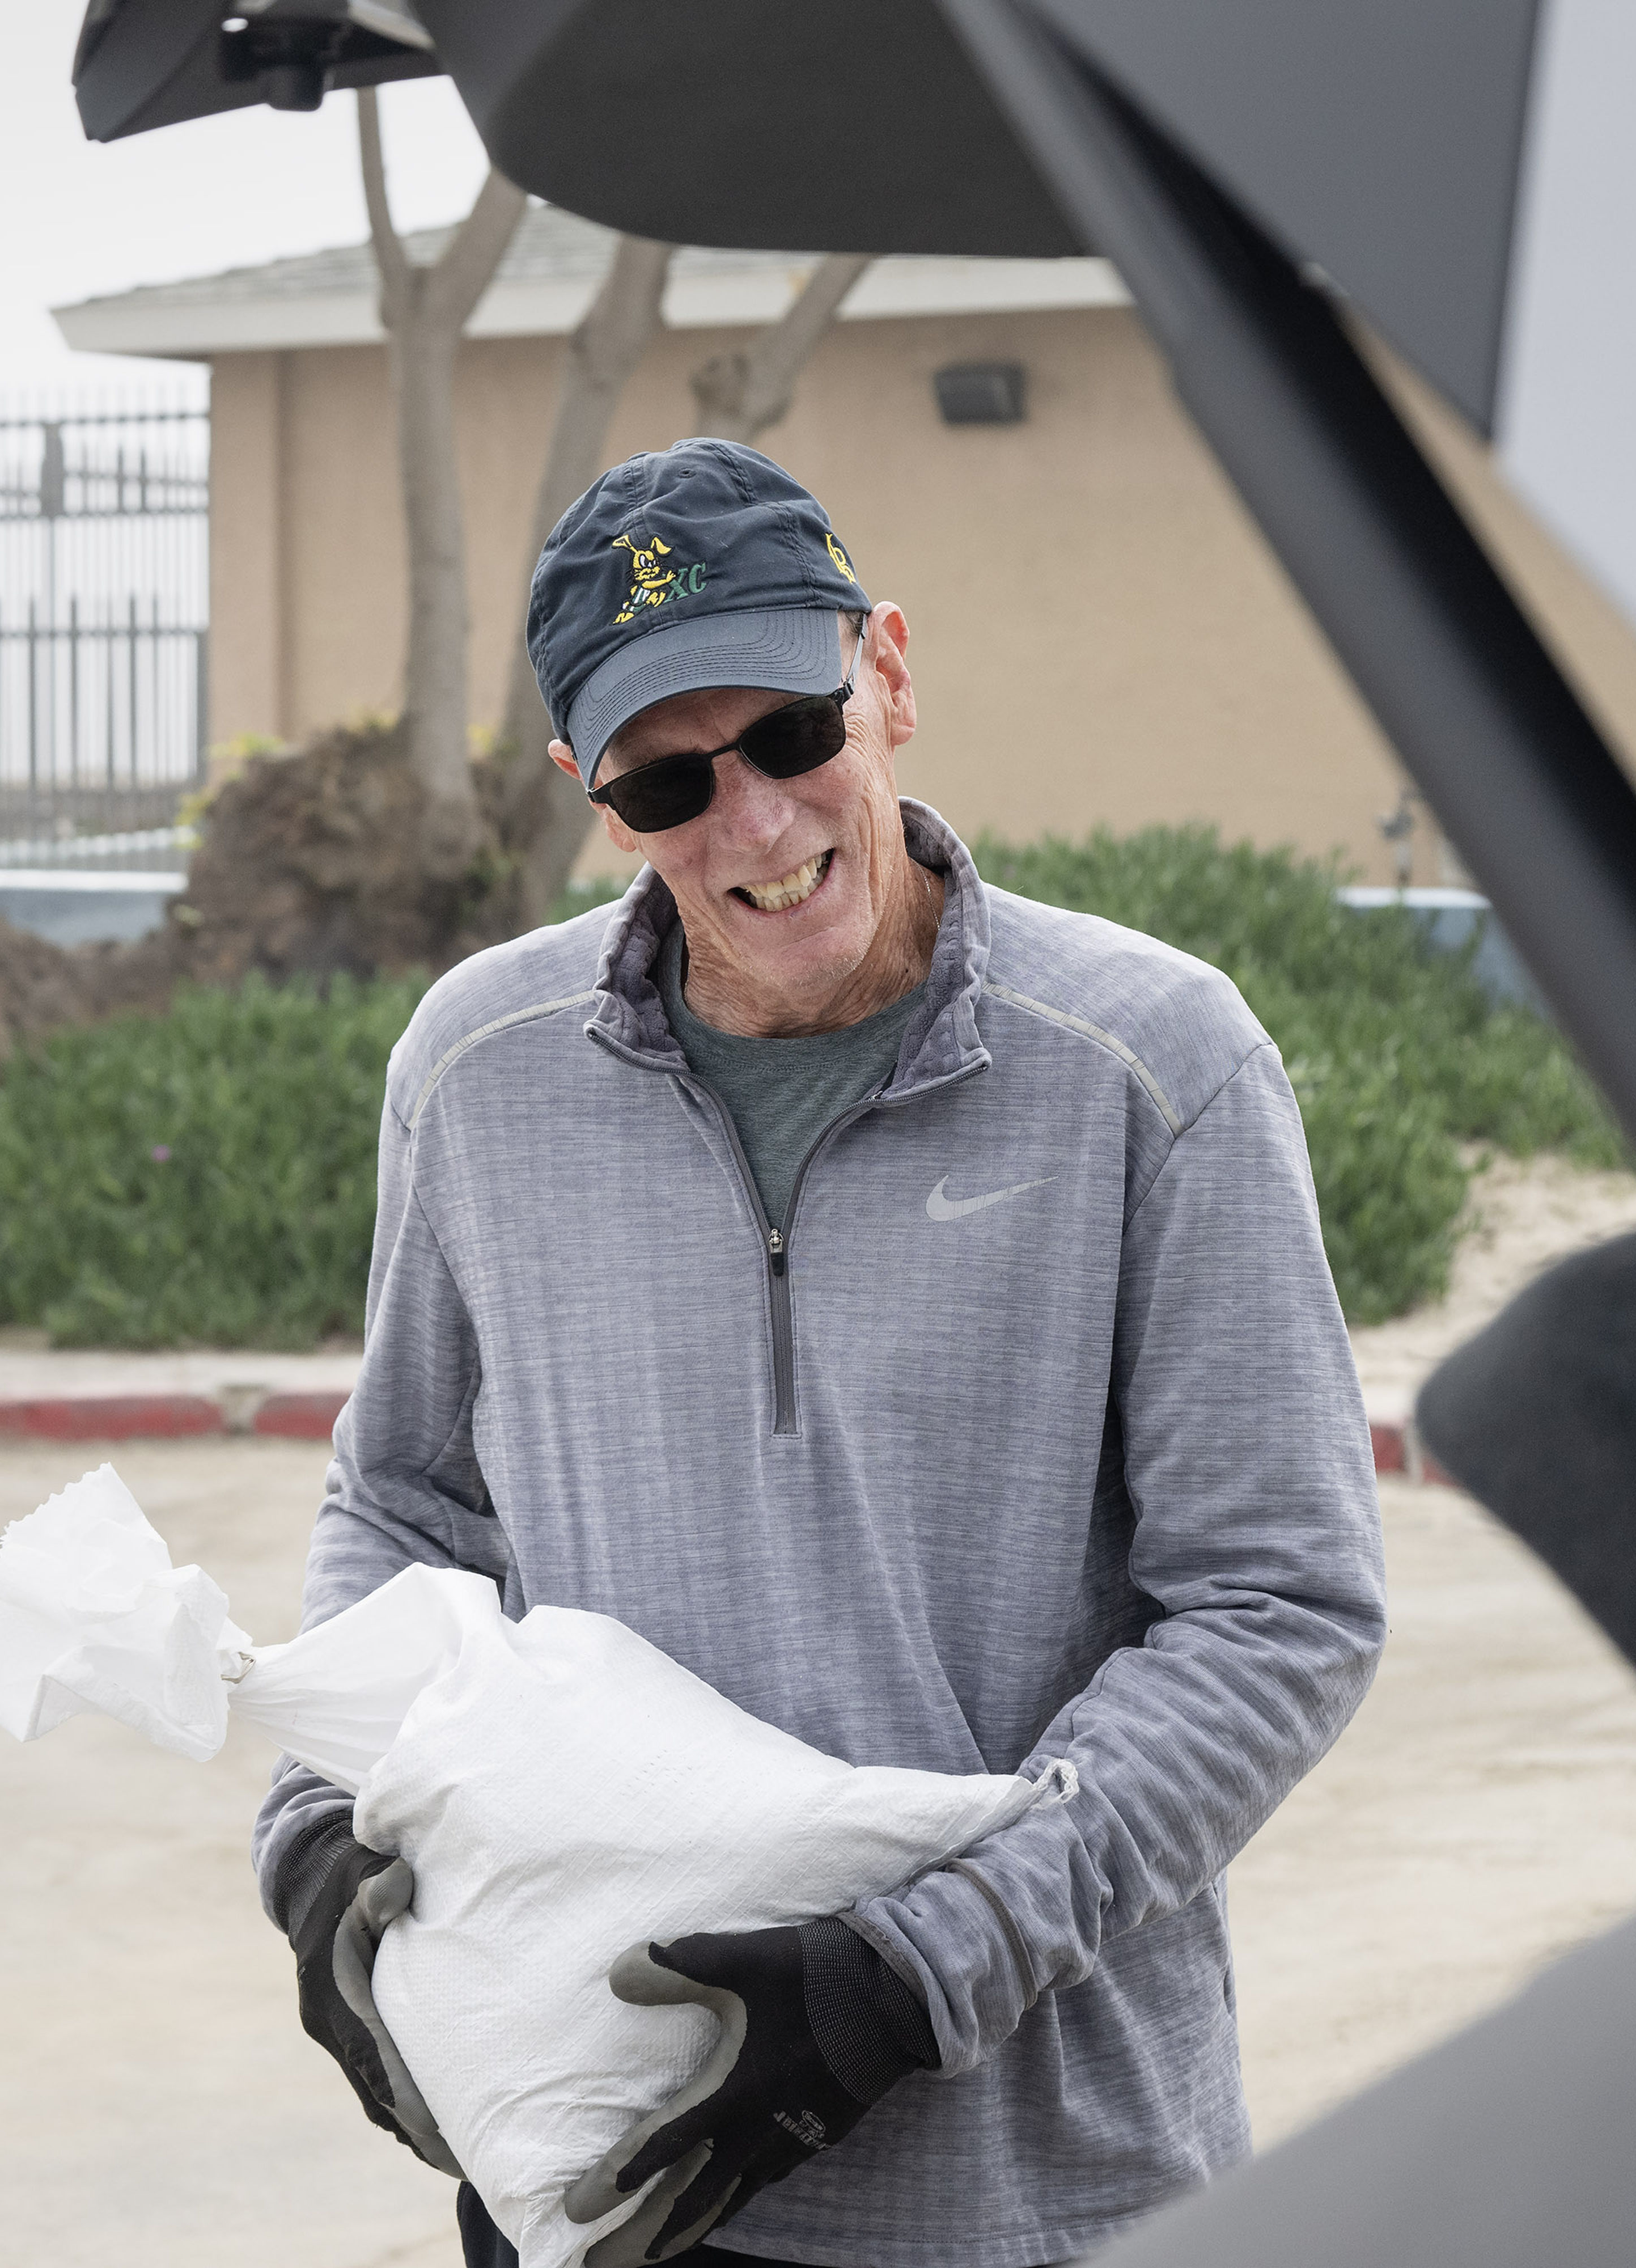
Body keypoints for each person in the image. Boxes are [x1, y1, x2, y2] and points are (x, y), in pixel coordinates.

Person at [258, 441, 1387, 2268]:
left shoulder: (1157, 1069)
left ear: (893, 676)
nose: (757, 825)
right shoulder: (480, 1070)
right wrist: (319, 1817)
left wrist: (912, 1975)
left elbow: (1276, 1609)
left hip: (1038, 2192)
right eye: (667, 783)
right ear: (587, 792)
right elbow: (404, 1506)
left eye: (793, 732)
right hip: (600, 2172)